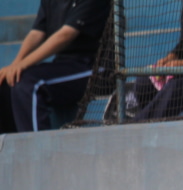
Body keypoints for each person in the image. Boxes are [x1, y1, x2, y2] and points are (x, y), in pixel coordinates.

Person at [0, 0, 109, 132]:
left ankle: (36, 148)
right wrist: (15, 66)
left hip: (93, 68)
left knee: (30, 84)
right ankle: (10, 148)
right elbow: (36, 33)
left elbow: (65, 35)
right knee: (7, 83)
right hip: (63, 64)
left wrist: (23, 64)